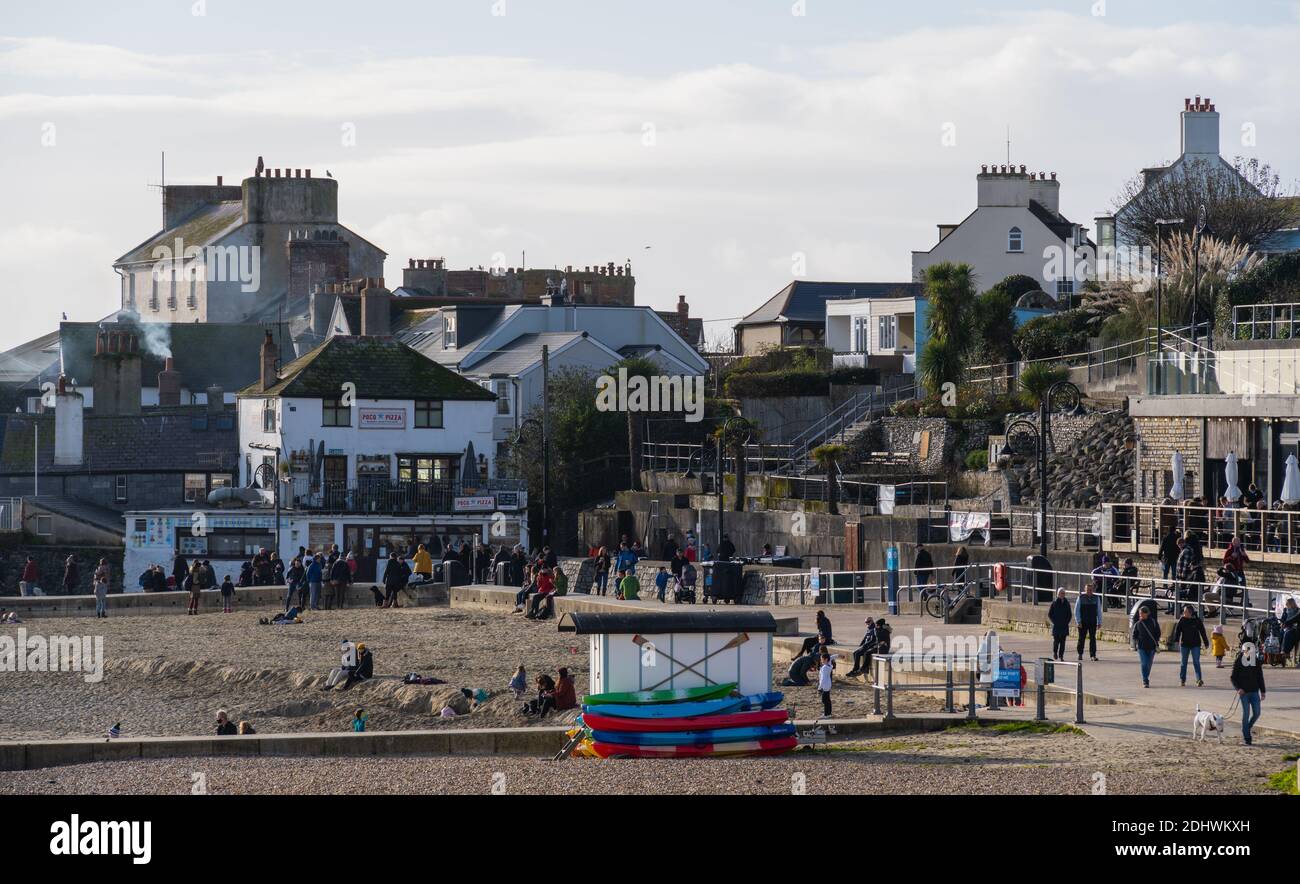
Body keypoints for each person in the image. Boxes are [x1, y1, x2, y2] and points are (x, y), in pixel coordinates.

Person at [1230, 642, 1266, 745]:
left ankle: (1246, 728)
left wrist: (1263, 691)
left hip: (1254, 691)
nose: (1250, 653)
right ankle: (1247, 737)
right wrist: (1238, 689)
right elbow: (1233, 677)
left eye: (1252, 651)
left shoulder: (1257, 662)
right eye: (1247, 651)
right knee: (1246, 714)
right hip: (1244, 693)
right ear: (1243, 651)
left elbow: (1260, 677)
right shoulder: (1238, 661)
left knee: (1257, 713)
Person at [1171, 604, 1209, 687]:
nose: (1184, 613)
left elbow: (1203, 632)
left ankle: (1199, 680)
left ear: (1190, 613)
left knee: (1196, 662)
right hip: (1184, 644)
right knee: (1183, 663)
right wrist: (1176, 641)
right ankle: (1182, 680)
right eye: (1183, 612)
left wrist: (1206, 643)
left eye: (1185, 612)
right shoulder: (1182, 620)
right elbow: (1177, 631)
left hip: (1195, 644)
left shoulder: (1197, 621)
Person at [1132, 606, 1161, 688]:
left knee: (1149, 664)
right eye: (1139, 614)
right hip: (1142, 647)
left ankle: (1146, 676)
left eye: (1141, 613)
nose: (1140, 615)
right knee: (1144, 663)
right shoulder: (1138, 624)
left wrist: (1156, 641)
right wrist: (1137, 642)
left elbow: (1158, 633)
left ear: (1146, 613)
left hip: (1151, 647)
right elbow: (1134, 635)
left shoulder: (1153, 622)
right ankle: (1145, 680)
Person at [1074, 583, 1103, 661]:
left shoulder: (1096, 598)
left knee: (1092, 639)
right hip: (1083, 622)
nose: (1089, 591)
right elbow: (1076, 611)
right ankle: (1080, 654)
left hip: (1092, 621)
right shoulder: (1080, 598)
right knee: (1081, 638)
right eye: (1087, 590)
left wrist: (1099, 622)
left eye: (1090, 590)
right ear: (1085, 590)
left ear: (1092, 590)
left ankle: (1093, 655)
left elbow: (1099, 611)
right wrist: (1078, 621)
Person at [1048, 589, 1072, 661]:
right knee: (1056, 641)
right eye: (1061, 593)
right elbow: (1050, 614)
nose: (1062, 595)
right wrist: (1054, 621)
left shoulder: (1067, 603)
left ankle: (1061, 656)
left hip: (1064, 625)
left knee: (1063, 642)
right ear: (1058, 594)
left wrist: (1066, 622)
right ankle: (1055, 652)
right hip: (1056, 625)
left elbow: (1069, 614)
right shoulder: (1054, 603)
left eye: (1063, 593)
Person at [817, 651, 834, 717]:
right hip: (828, 684)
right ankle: (829, 714)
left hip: (825, 685)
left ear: (826, 659)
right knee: (827, 700)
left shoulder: (824, 668)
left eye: (822, 659)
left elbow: (822, 679)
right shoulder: (828, 664)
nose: (821, 660)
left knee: (824, 700)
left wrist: (819, 688)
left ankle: (826, 714)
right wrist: (838, 655)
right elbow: (831, 657)